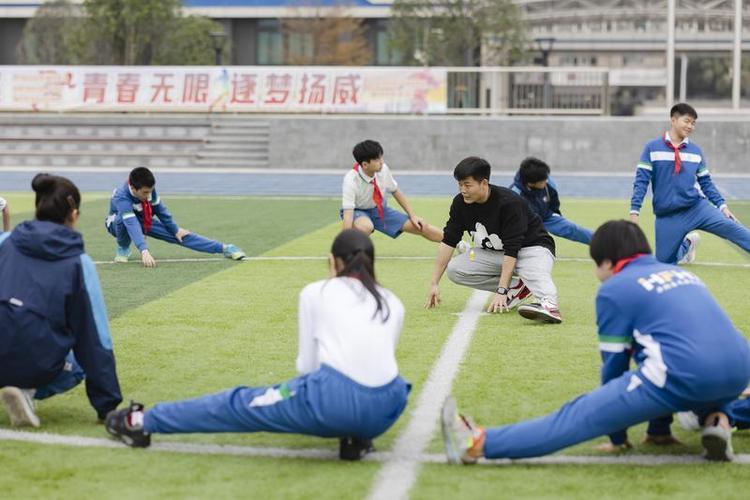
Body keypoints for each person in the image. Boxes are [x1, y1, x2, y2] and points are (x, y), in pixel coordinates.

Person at [441, 220, 750, 464]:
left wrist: (617, 436)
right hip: (739, 372)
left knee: (578, 414)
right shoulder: (677, 272)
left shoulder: (616, 288)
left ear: (608, 262)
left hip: (685, 373)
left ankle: (479, 442)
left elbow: (614, 369)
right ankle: (719, 418)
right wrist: (658, 431)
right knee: (665, 363)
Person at [105, 229, 411, 461]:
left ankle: (140, 421)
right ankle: (356, 436)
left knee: (239, 403)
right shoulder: (393, 301)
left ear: (332, 261)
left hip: (332, 400)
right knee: (352, 389)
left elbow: (307, 366)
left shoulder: (317, 291)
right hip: (388, 406)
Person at [0, 174, 122, 427]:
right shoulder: (79, 263)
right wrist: (107, 406)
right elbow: (95, 337)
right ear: (74, 215)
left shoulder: (4, 242)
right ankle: (26, 390)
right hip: (34, 361)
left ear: (37, 208)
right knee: (78, 358)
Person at [425, 157, 562, 324]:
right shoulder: (460, 203)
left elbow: (512, 249)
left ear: (484, 183)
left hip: (532, 249)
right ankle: (517, 287)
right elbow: (449, 241)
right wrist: (434, 283)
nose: (463, 190)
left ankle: (549, 305)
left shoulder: (509, 203)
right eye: (460, 185)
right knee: (455, 269)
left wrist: (501, 291)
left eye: (467, 185)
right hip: (496, 253)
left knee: (534, 272)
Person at [630, 102, 750, 264]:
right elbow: (641, 181)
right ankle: (687, 244)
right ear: (673, 120)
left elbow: (706, 183)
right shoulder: (652, 148)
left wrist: (722, 206)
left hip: (697, 208)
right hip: (668, 215)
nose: (690, 126)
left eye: (693, 123)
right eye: (686, 121)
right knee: (663, 264)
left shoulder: (696, 151)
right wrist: (634, 212)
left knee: (734, 229)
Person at [105, 167, 246, 267]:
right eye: (145, 192)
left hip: (143, 221)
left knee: (179, 235)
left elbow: (161, 211)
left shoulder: (149, 191)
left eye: (151, 191)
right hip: (116, 224)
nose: (149, 195)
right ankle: (123, 247)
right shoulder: (121, 196)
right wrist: (144, 250)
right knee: (122, 219)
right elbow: (131, 224)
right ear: (134, 189)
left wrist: (175, 229)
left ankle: (224, 248)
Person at [341, 140, 443, 242]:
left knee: (421, 226)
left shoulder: (383, 169)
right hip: (357, 211)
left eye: (381, 157)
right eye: (377, 160)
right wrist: (342, 244)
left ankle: (456, 243)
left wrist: (413, 216)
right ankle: (352, 252)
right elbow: (348, 214)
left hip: (379, 209)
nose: (382, 162)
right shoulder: (351, 179)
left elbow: (396, 191)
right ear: (365, 164)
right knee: (366, 226)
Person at [511, 157, 593, 245]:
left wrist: (555, 212)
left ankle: (604, 241)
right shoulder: (515, 195)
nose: (546, 181)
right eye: (543, 181)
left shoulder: (546, 180)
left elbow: (554, 198)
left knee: (573, 229)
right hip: (527, 225)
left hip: (547, 217)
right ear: (530, 183)